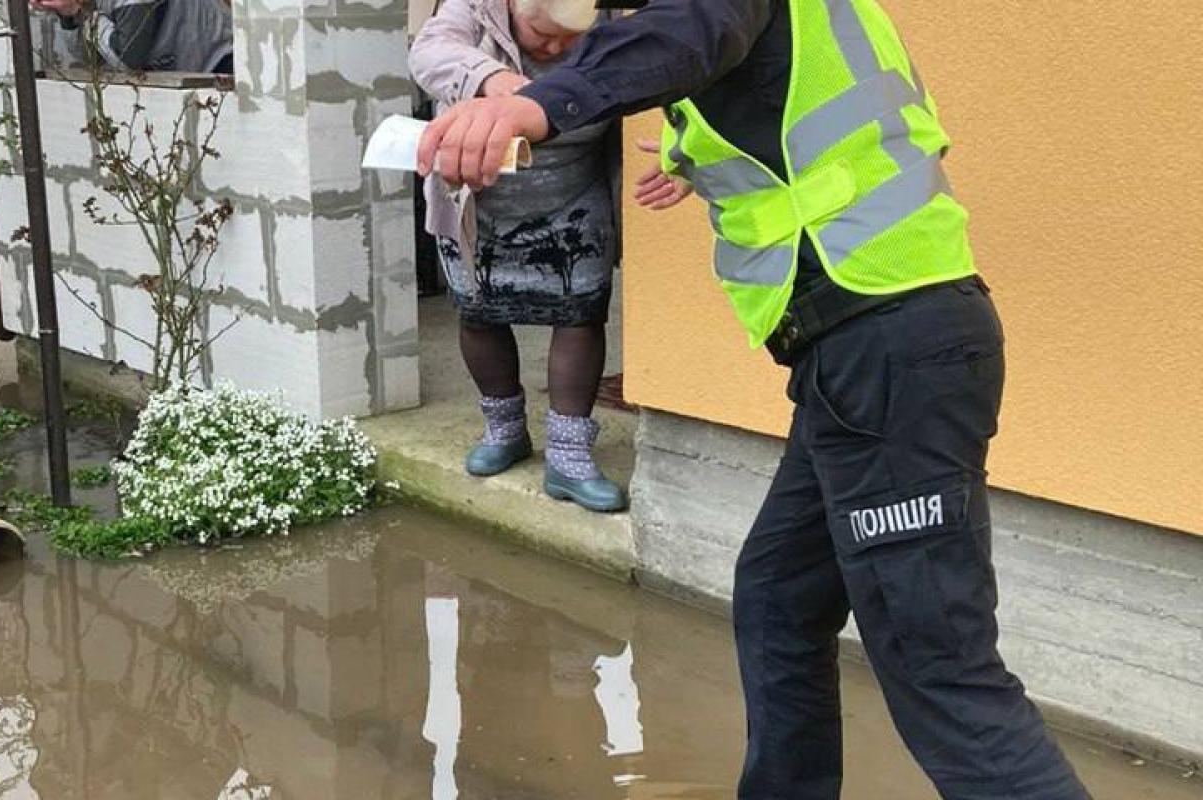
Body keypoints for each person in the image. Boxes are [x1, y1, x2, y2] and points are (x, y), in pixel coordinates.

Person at [415, 1, 1093, 798]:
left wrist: (536, 101)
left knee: (939, 669)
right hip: (867, 357)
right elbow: (757, 93)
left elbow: (691, 30)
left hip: (887, 345)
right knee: (778, 598)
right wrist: (685, 154)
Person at [408, 0, 627, 513]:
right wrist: (494, 81)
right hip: (475, 202)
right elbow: (428, 52)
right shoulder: (472, 9)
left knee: (579, 315)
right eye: (540, 34)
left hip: (574, 200)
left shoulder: (615, 20)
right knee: (478, 313)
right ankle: (504, 430)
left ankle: (570, 457)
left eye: (566, 39)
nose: (552, 49)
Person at [32, 0, 234, 75]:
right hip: (182, 73)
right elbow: (93, 59)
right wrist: (68, 16)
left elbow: (128, 59)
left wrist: (82, 14)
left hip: (219, 64)